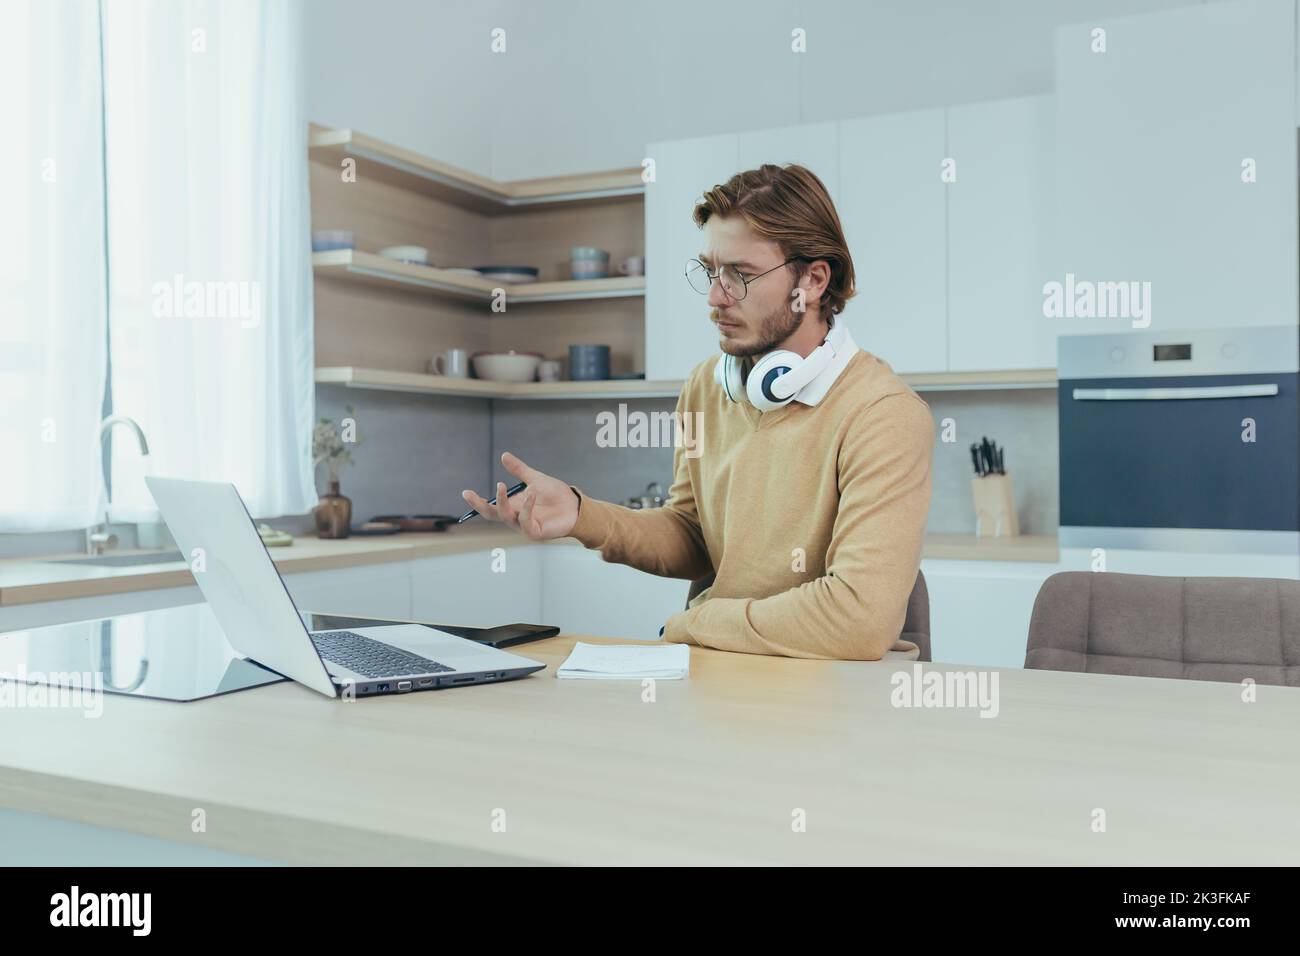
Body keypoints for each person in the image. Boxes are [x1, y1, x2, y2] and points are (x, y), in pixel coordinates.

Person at [462, 164, 934, 660]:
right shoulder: (708, 388)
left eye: (741, 275)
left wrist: (699, 622)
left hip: (837, 691)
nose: (715, 297)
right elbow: (692, 538)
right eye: (711, 271)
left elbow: (857, 622)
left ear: (813, 280)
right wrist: (583, 516)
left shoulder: (884, 413)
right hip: (722, 667)